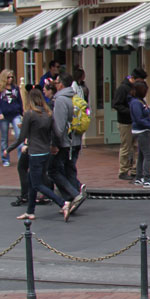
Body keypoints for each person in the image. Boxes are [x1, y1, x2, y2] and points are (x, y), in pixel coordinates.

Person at [4, 88, 72, 222]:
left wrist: (9, 149)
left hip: (35, 153)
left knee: (37, 184)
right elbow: (57, 133)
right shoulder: (48, 113)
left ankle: (63, 203)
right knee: (31, 180)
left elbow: (21, 137)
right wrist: (54, 146)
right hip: (45, 152)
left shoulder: (30, 114)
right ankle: (30, 211)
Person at [47, 74, 84, 216]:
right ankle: (70, 197)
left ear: (61, 84)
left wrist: (54, 144)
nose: (55, 84)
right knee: (66, 169)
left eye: (56, 82)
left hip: (63, 143)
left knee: (53, 170)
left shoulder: (61, 100)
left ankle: (74, 194)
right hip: (70, 141)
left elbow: (59, 127)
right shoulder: (70, 97)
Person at [112, 68, 147, 181]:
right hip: (125, 122)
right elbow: (116, 104)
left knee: (136, 147)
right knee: (126, 147)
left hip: (135, 122)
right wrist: (131, 111)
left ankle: (134, 170)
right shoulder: (123, 88)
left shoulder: (135, 88)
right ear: (134, 78)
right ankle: (123, 170)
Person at [130, 80, 150, 188]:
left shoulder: (140, 101)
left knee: (142, 155)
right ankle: (147, 179)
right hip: (141, 131)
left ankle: (139, 177)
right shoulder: (136, 103)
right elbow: (139, 119)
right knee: (148, 155)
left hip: (143, 130)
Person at [0, 69, 23, 167]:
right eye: (8, 77)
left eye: (11, 77)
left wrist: (22, 112)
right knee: (4, 138)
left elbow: (20, 101)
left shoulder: (15, 88)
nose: (10, 79)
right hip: (4, 116)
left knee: (19, 136)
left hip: (15, 114)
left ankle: (21, 159)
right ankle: (5, 159)